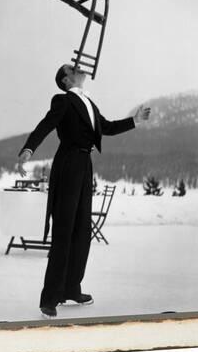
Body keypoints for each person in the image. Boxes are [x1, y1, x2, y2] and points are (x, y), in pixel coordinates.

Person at [17, 64, 151, 319]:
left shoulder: (89, 103)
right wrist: (28, 149)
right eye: (73, 68)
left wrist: (135, 120)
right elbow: (46, 125)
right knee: (64, 231)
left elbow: (108, 127)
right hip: (68, 164)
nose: (79, 68)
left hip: (84, 165)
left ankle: (71, 289)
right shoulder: (63, 100)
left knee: (81, 231)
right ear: (66, 80)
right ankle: (50, 298)